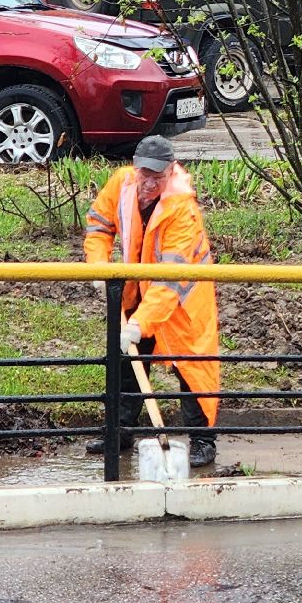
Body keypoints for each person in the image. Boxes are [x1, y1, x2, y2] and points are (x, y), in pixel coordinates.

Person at [82, 135, 222, 467]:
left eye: (157, 177)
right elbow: (99, 225)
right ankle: (119, 432)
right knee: (127, 361)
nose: (149, 183)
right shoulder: (122, 183)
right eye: (144, 174)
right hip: (138, 287)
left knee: (193, 367)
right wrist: (98, 267)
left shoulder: (182, 209)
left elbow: (170, 279)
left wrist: (139, 323)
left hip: (185, 298)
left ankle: (203, 441)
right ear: (135, 167)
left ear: (171, 171)